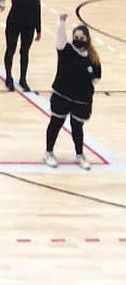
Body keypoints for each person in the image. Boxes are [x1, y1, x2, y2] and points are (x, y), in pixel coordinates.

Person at [45, 14, 100, 169]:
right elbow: (60, 39)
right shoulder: (66, 49)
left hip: (81, 99)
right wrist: (61, 23)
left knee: (77, 127)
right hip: (62, 95)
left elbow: (96, 78)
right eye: (76, 36)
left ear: (87, 39)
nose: (78, 39)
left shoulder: (92, 57)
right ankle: (49, 152)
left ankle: (79, 155)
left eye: (81, 37)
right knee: (56, 123)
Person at [2, 0, 41, 91]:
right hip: (14, 24)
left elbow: (37, 11)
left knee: (24, 52)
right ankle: (8, 77)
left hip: (29, 27)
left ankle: (23, 79)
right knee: (11, 49)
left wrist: (38, 29)